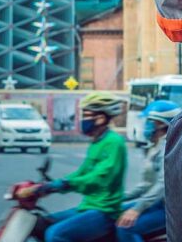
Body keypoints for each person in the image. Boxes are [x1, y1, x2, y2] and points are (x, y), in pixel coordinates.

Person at [23, 92, 127, 242]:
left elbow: (99, 177)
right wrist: (51, 187)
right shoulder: (97, 142)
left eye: (86, 115)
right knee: (39, 224)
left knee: (55, 235)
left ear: (101, 118)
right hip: (88, 206)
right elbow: (82, 173)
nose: (82, 120)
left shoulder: (114, 142)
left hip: (105, 211)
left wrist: (65, 184)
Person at [115, 100, 180, 242]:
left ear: (162, 123)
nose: (146, 125)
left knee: (125, 227)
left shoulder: (168, 147)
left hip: (171, 210)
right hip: (158, 203)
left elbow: (163, 185)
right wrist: (119, 198)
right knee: (115, 213)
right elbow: (147, 185)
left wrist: (137, 209)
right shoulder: (154, 146)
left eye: (150, 121)